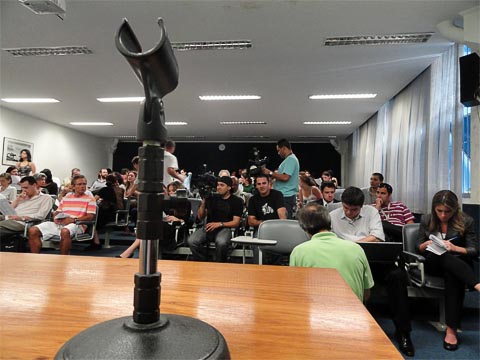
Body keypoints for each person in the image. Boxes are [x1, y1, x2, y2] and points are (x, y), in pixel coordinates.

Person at [330, 186, 414, 356]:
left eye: (354, 209)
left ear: (362, 206)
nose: (349, 212)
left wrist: (353, 246)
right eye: (346, 208)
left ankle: (403, 331)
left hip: (372, 261)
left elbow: (377, 237)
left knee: (397, 276)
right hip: (344, 263)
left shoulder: (371, 213)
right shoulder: (332, 216)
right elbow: (330, 239)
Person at [416, 190, 480, 351]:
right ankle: (477, 284)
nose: (443, 215)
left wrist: (455, 248)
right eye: (439, 211)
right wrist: (425, 245)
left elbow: (474, 250)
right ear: (434, 209)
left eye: (447, 212)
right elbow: (419, 246)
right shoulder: (426, 219)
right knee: (442, 256)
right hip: (433, 263)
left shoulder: (466, 221)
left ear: (455, 209)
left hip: (457, 266)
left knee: (453, 275)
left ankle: (451, 331)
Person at [290, 203, 374, 302]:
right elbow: (366, 292)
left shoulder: (299, 252)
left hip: (315, 313)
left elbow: (295, 293)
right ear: (330, 223)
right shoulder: (356, 249)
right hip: (353, 312)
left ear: (304, 228)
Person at [117, 182, 191, 258]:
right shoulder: (165, 202)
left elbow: (189, 221)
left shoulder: (186, 203)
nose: (171, 192)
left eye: (173, 190)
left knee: (150, 228)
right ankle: (131, 252)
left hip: (176, 229)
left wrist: (178, 219)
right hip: (162, 226)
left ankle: (129, 252)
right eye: (169, 191)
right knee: (150, 225)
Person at [28, 175, 96, 255]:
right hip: (61, 223)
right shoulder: (66, 197)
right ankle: (35, 257)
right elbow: (57, 211)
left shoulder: (90, 199)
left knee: (65, 231)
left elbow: (90, 216)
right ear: (73, 186)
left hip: (77, 224)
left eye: (84, 184)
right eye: (80, 184)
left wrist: (73, 220)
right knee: (33, 230)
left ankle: (63, 259)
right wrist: (55, 217)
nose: (83, 186)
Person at [188, 176, 243, 262]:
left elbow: (236, 222)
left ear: (229, 187)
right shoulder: (211, 198)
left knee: (221, 243)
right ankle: (202, 262)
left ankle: (219, 265)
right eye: (217, 185)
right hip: (209, 227)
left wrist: (220, 224)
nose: (218, 187)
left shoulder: (237, 201)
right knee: (192, 241)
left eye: (222, 185)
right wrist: (203, 202)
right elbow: (200, 217)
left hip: (225, 227)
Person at [262, 139, 300, 219]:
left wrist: (270, 173)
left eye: (279, 150)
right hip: (284, 195)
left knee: (284, 222)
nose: (278, 153)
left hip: (286, 196)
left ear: (284, 148)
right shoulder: (289, 160)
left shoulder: (291, 159)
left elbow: (285, 177)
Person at [87, 174, 125, 251]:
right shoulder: (120, 190)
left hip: (108, 213)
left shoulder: (104, 189)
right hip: (117, 213)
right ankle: (96, 242)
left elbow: (93, 200)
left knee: (93, 221)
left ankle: (96, 243)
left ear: (106, 181)